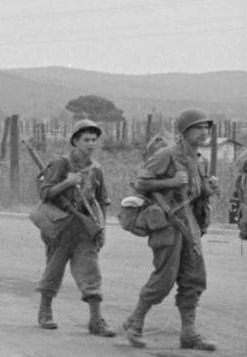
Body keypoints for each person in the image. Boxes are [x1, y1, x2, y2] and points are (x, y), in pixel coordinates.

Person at [122, 109, 218, 351]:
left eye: (207, 128)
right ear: (185, 132)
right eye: (199, 128)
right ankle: (135, 323)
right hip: (167, 224)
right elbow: (140, 182)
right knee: (164, 280)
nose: (205, 132)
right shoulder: (166, 155)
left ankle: (189, 334)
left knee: (195, 279)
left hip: (190, 226)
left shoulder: (199, 159)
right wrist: (170, 182)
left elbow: (195, 193)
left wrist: (208, 189)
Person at [33, 119, 114, 337]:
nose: (90, 143)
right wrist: (68, 183)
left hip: (85, 228)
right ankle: (45, 312)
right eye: (86, 139)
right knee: (53, 269)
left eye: (94, 140)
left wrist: (102, 228)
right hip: (60, 226)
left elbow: (101, 201)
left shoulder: (96, 170)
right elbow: (45, 193)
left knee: (91, 272)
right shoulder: (62, 164)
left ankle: (96, 320)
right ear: (75, 141)